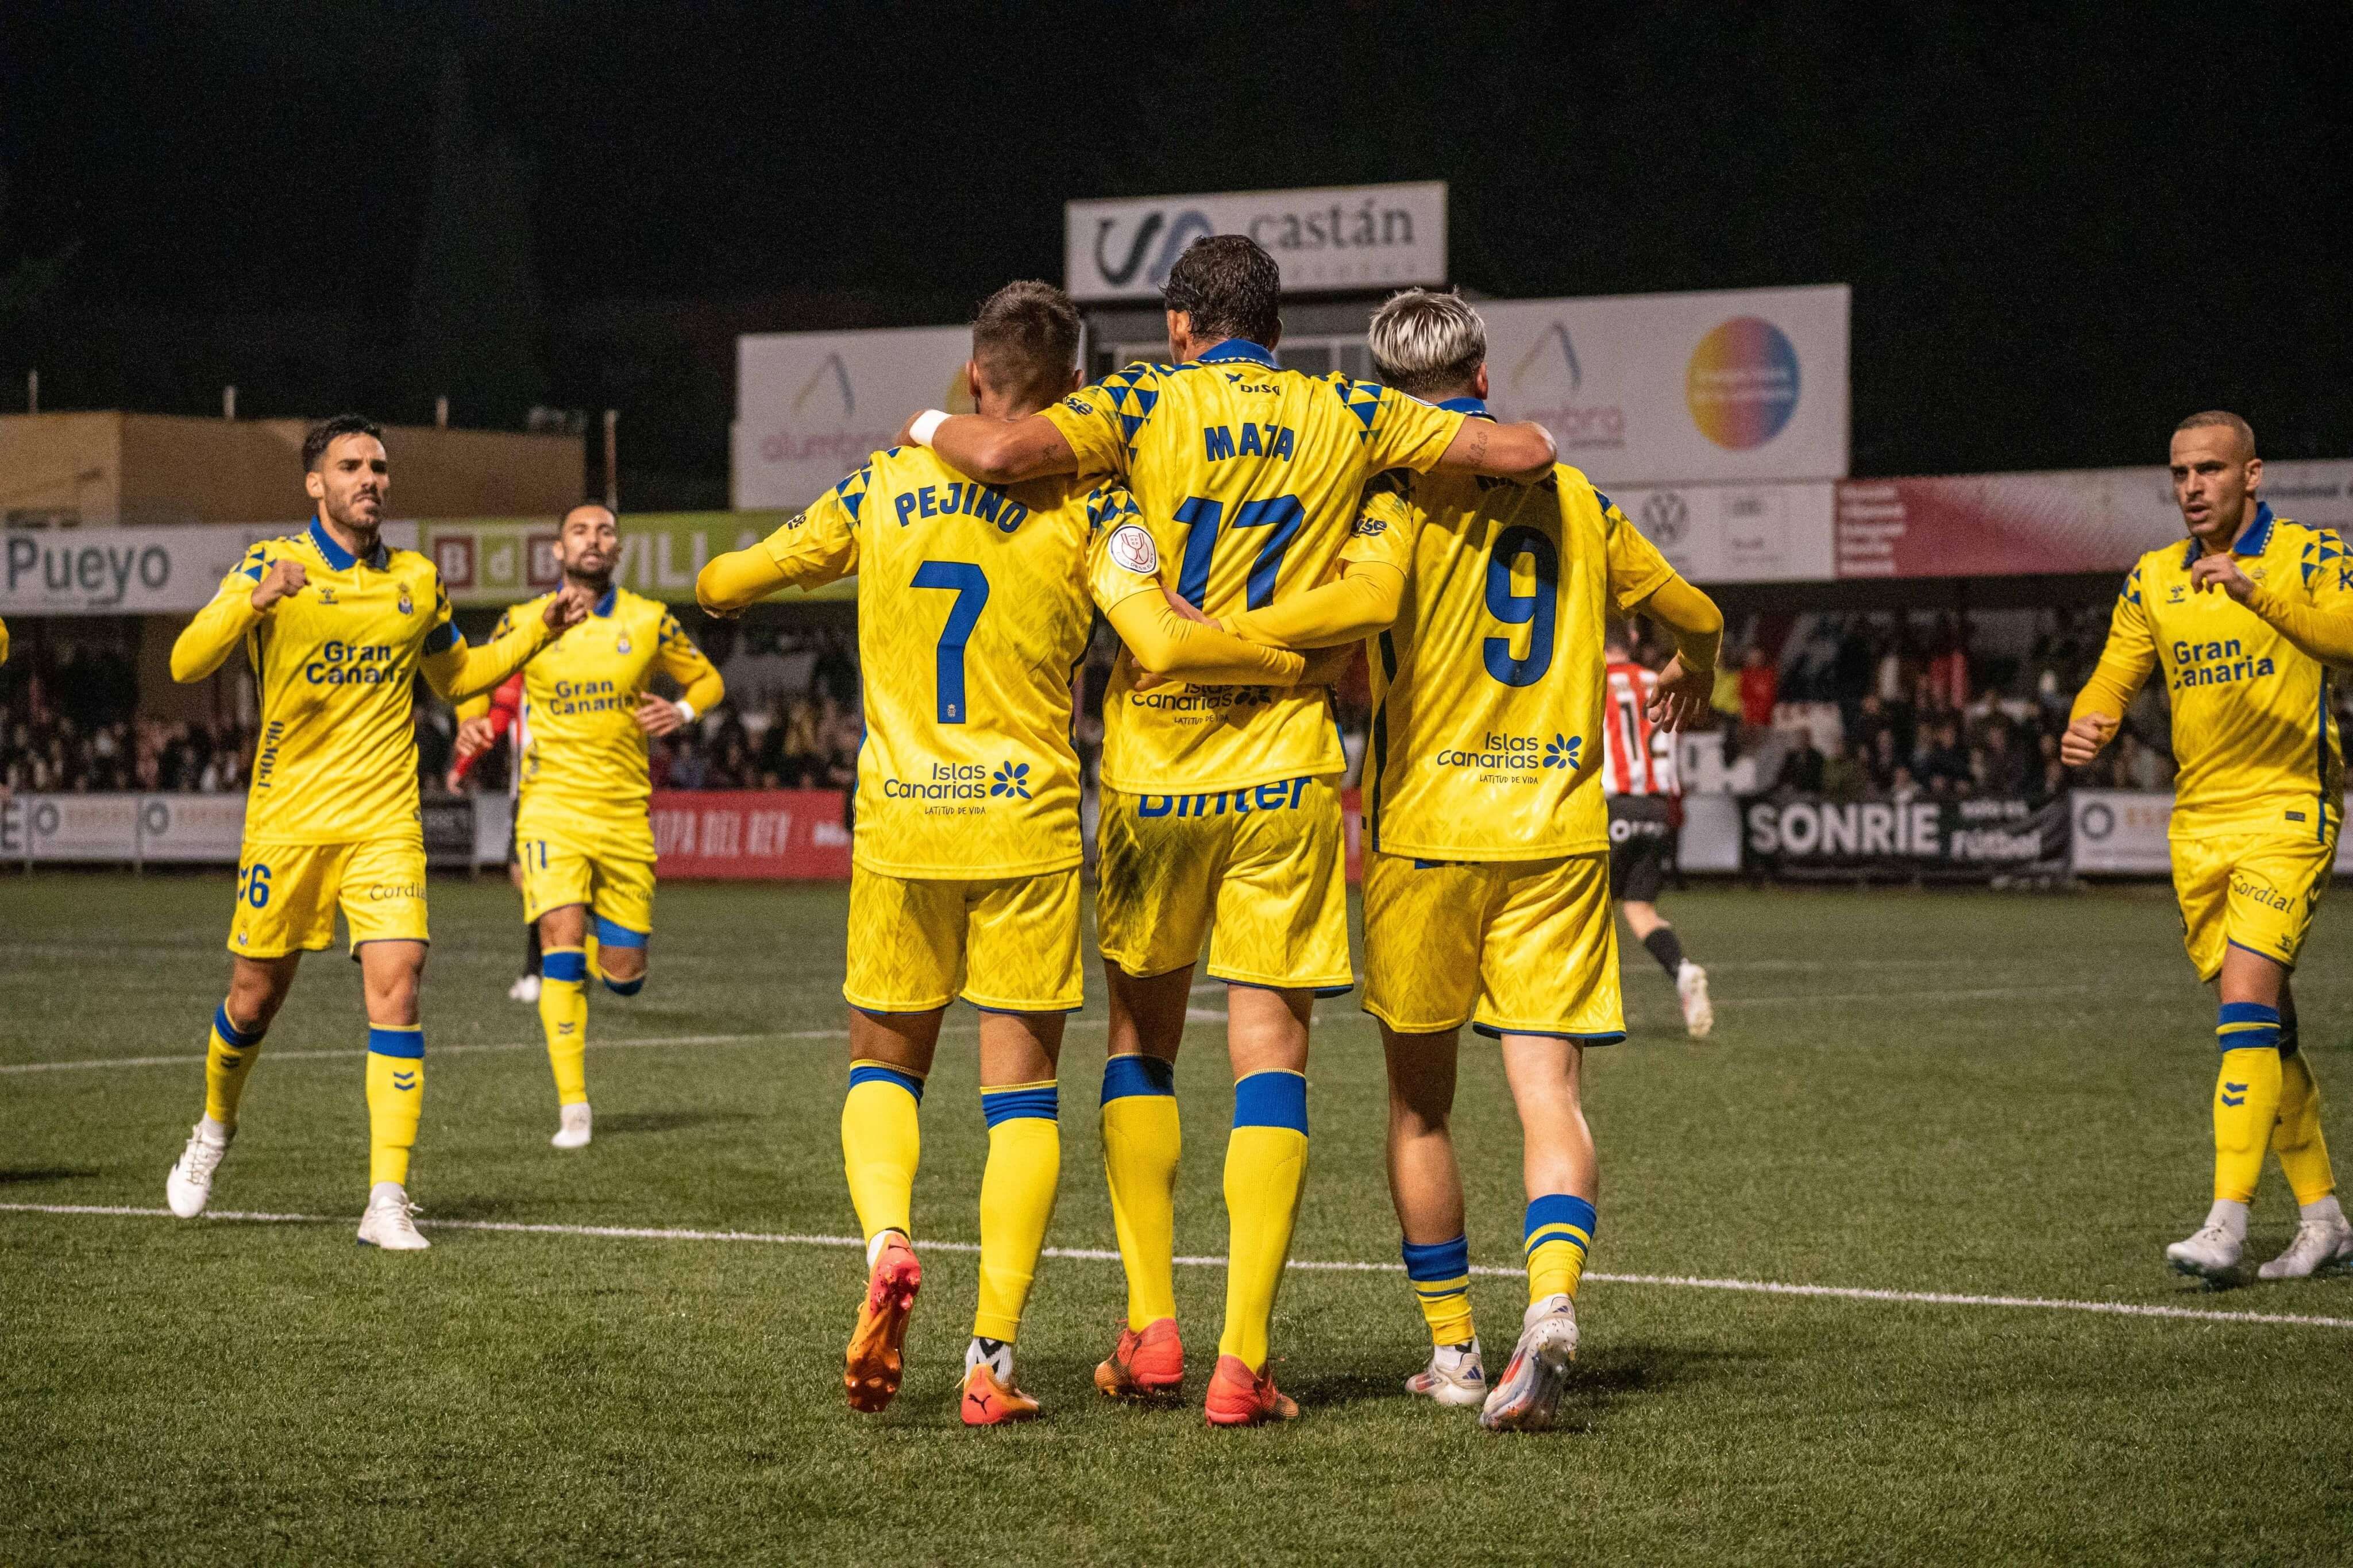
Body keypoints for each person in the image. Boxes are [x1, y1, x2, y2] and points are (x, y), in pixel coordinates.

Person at [904, 237, 1557, 1426]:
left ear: (1176, 325)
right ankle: (1239, 1363)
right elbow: (1518, 449)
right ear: (1273, 317)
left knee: (1139, 1044)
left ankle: (1152, 1329)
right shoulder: (1347, 408)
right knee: (1272, 1054)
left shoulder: (1144, 399)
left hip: (1156, 768)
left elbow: (999, 451)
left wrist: (919, 427)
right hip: (1285, 773)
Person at [698, 279, 1311, 1427]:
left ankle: (887, 1241)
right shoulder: (1088, 503)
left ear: (974, 381)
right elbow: (1158, 641)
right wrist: (1291, 667)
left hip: (899, 823)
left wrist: (735, 590)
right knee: (1018, 1097)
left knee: (883, 1067)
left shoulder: (879, 486)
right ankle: (989, 1364)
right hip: (1024, 824)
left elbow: (726, 580)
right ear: (1071, 389)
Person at [1205, 288, 1722, 1430]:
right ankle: (1548, 1310)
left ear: (1391, 405)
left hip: (1424, 837)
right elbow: (1690, 607)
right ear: (1481, 383)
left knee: (1419, 1107)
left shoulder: (1383, 500)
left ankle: (1452, 1352)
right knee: (1548, 1094)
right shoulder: (1576, 498)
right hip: (1551, 838)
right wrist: (1700, 662)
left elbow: (1337, 622)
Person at [160, 415, 588, 1248]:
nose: (371, 478)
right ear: (315, 484)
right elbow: (184, 662)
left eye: (380, 466)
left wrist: (538, 628)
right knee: (252, 1000)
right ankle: (213, 1130)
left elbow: (456, 672)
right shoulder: (271, 565)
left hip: (385, 820)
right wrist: (253, 601)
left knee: (400, 984)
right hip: (288, 823)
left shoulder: (418, 580)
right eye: (351, 465)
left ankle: (385, 1198)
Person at [2063, 410, 2351, 1281]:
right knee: (2272, 1031)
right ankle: (2326, 1216)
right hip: (2201, 824)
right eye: (2182, 472)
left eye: (2212, 470)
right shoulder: (2154, 577)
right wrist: (2090, 720)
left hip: (2289, 809)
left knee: (2245, 1005)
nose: (2193, 487)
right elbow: (2116, 672)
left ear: (2252, 474)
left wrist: (2257, 593)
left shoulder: (2310, 553)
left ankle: (2226, 1222)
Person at [455, 503, 723, 1150]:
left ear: (617, 550)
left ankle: (610, 945)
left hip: (625, 813)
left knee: (624, 974)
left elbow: (708, 679)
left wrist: (682, 709)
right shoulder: (525, 621)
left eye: (604, 531)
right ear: (557, 550)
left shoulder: (649, 620)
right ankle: (574, 1106)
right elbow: (474, 672)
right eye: (580, 531)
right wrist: (471, 719)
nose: (593, 540)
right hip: (551, 808)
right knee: (559, 944)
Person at [1602, 625, 1714, 1039]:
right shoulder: (1658, 680)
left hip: (1613, 804)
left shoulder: (1592, 680)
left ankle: (1588, 1003)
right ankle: (1682, 971)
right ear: (1630, 636)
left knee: (1590, 912)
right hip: (1657, 808)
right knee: (1639, 909)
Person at [446, 670, 544, 1003]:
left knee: (540, 884)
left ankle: (537, 971)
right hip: (526, 793)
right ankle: (559, 956)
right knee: (523, 880)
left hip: (563, 792)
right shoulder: (523, 662)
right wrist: (464, 764)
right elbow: (497, 719)